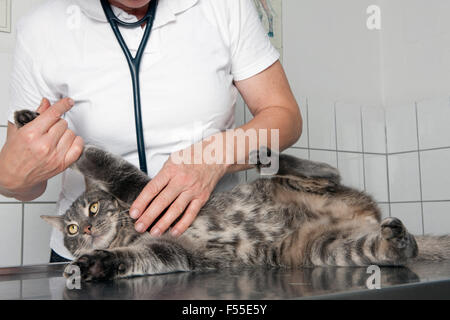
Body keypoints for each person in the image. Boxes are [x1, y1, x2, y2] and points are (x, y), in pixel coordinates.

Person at [0, 0, 302, 262]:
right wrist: (12, 180)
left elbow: (285, 119)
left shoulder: (225, 6)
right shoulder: (41, 28)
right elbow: (27, 183)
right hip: (93, 254)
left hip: (209, 244)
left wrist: (214, 157)